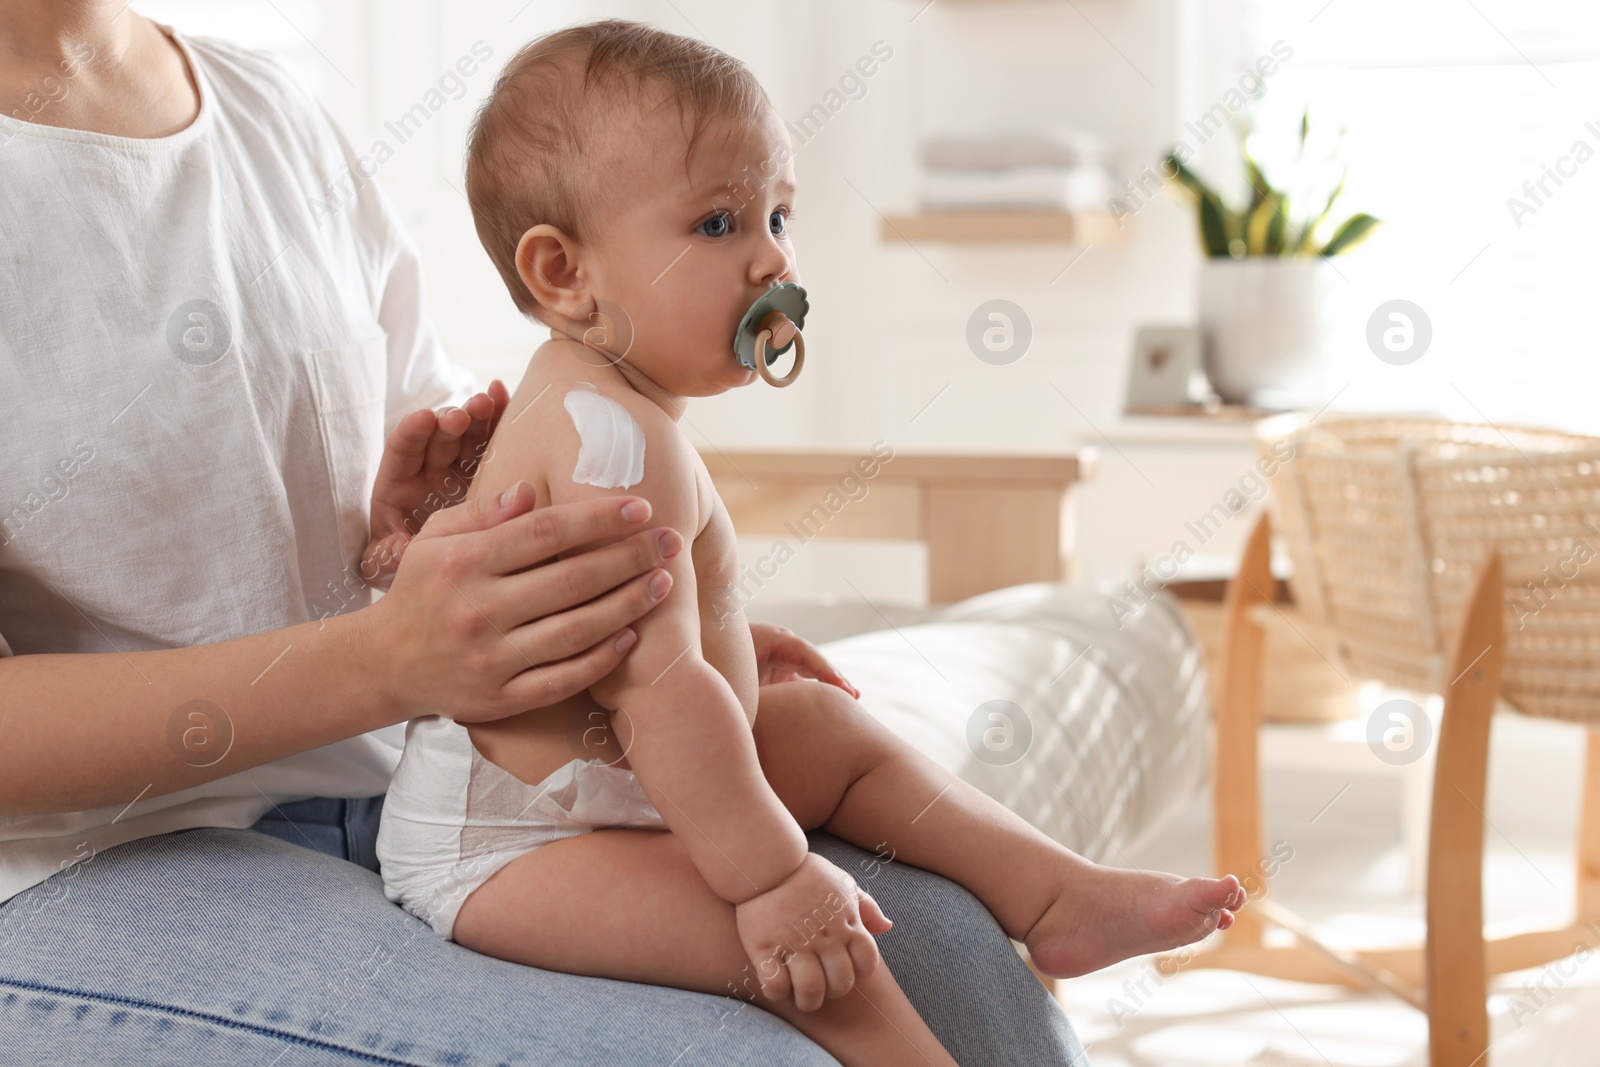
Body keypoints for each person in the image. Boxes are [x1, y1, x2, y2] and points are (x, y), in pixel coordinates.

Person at [0, 4, 1094, 1063]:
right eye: (719, 222)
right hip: (90, 862)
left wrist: (593, 611)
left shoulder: (268, 111)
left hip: (403, 781)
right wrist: (384, 660)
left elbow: (425, 487)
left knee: (959, 967)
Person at [372, 20, 1247, 1067]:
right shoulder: (611, 435)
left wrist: (730, 637)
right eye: (717, 222)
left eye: (778, 213)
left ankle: (1057, 891)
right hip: (512, 841)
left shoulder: (610, 404)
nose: (772, 256)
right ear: (566, 273)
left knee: (822, 729)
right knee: (816, 954)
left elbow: (639, 646)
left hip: (599, 780)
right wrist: (772, 877)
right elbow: (658, 695)